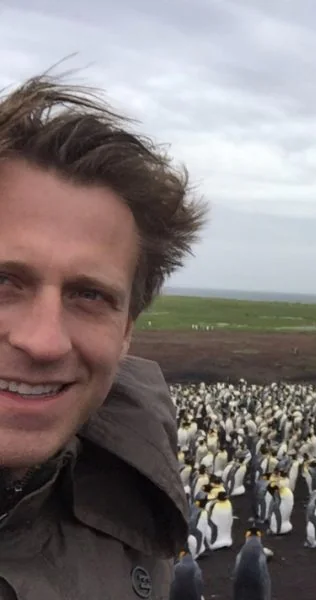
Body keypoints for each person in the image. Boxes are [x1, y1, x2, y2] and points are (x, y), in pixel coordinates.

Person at [0, 70, 208, 599]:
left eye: (89, 295)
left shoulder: (134, 511)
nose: (44, 341)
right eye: (3, 281)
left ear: (126, 333)